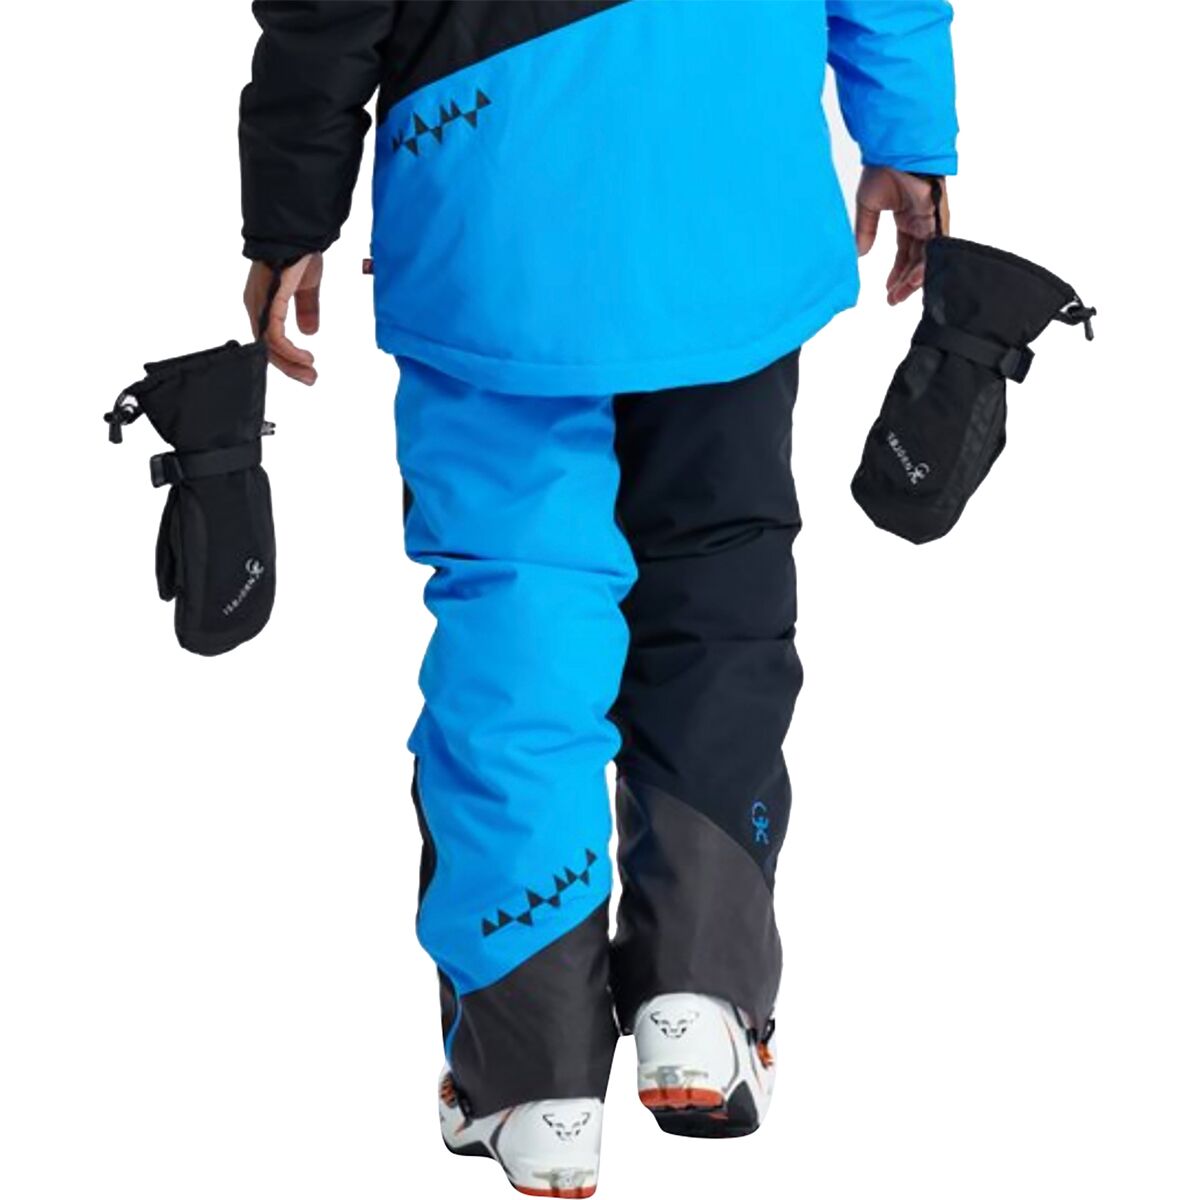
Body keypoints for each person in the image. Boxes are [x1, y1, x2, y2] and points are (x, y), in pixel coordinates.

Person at [240, 2, 956, 1194]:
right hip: (728, 194)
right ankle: (699, 1001)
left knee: (519, 619)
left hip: (496, 210)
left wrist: (289, 216)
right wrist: (907, 131)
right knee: (718, 594)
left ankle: (534, 1074)